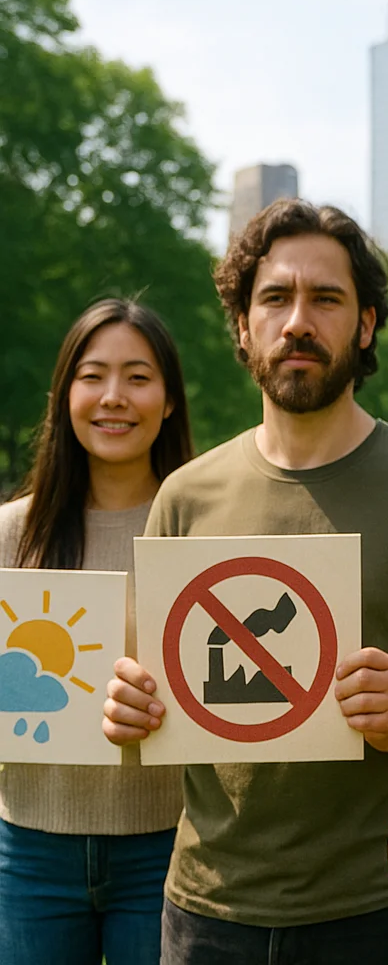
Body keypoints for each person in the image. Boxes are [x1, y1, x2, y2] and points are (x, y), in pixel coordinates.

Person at [100, 200, 388, 964]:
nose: (298, 322)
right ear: (243, 326)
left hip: (372, 904)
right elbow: (147, 687)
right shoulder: (184, 495)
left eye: (327, 299)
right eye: (275, 298)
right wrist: (127, 707)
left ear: (367, 324)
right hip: (205, 908)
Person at [0, 299, 192, 964]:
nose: (114, 397)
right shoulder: (8, 535)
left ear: (169, 400)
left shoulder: (204, 539)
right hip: (27, 853)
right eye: (93, 375)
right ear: (65, 393)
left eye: (138, 377)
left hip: (166, 848)